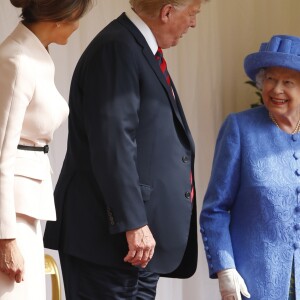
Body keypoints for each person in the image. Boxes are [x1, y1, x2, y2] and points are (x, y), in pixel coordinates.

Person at [43, 0, 208, 298]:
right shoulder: (117, 49)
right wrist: (134, 222)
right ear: (167, 11)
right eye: (192, 14)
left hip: (129, 250)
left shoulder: (134, 48)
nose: (193, 23)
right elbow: (113, 143)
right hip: (112, 244)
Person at [0, 0, 92, 299]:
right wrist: (6, 238)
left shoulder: (34, 56)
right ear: (58, 18)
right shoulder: (17, 60)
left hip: (26, 205)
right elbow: (1, 154)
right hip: (12, 213)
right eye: (76, 18)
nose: (77, 26)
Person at [200, 34, 300, 300]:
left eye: (288, 82)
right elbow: (215, 209)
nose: (276, 89)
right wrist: (225, 268)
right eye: (270, 79)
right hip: (257, 284)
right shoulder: (240, 129)